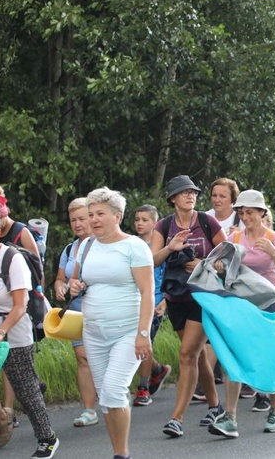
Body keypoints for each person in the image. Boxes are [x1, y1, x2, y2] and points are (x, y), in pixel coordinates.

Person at [68, 188, 154, 459]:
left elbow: (147, 292)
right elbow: (81, 281)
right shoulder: (86, 245)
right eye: (90, 214)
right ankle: (118, 451)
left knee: (114, 390)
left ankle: (122, 454)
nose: (93, 219)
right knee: (106, 397)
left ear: (117, 216)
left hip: (127, 332)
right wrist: (74, 286)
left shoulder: (134, 246)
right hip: (93, 333)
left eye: (99, 214)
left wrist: (143, 333)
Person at [208, 190, 275, 436]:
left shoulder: (274, 237)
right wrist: (220, 266)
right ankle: (230, 418)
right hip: (242, 305)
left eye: (250, 212)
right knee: (233, 357)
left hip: (269, 304)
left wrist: (274, 253)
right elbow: (223, 271)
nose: (246, 217)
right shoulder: (235, 238)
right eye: (242, 213)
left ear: (262, 213)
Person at [151, 175, 227, 438]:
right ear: (173, 198)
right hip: (176, 298)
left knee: (186, 355)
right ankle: (216, 406)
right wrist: (170, 248)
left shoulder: (207, 221)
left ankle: (177, 418)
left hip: (204, 296)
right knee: (197, 355)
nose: (190, 196)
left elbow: (229, 255)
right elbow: (151, 260)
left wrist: (204, 264)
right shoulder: (163, 226)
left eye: (193, 192)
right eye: (184, 193)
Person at [0, 204, 59, 458]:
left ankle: (47, 438)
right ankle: (2, 418)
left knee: (26, 389)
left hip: (12, 332)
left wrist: (1, 331)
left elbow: (20, 305)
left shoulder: (12, 258)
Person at [52, 198, 98, 426]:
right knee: (82, 358)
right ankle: (89, 410)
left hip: (101, 309)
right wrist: (60, 287)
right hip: (77, 311)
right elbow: (61, 278)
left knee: (102, 358)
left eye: (82, 218)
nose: (78, 224)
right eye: (73, 220)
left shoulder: (102, 244)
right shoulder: (70, 248)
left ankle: (114, 399)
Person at [133, 205, 172, 406]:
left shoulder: (161, 247)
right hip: (133, 301)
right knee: (134, 341)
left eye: (144, 220)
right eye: (137, 219)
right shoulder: (130, 244)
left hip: (155, 300)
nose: (140, 223)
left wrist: (166, 299)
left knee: (144, 339)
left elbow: (168, 276)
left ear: (155, 223)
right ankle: (157, 369)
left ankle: (143, 387)